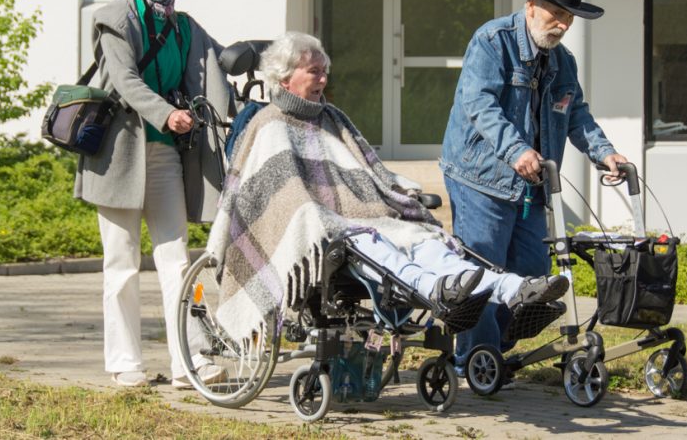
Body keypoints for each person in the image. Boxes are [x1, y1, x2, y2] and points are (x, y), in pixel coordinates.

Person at [206, 32, 569, 349]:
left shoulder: (332, 117)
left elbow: (367, 168)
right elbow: (277, 190)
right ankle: (439, 291)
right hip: (330, 225)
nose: (323, 78)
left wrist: (395, 189)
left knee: (424, 239)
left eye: (324, 70)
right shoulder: (269, 124)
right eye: (313, 71)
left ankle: (514, 291)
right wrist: (315, 211)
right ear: (285, 79)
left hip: (365, 212)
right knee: (375, 245)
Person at [439, 0, 628, 377]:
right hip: (479, 178)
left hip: (533, 182)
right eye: (554, 14)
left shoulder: (564, 63)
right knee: (483, 271)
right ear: (530, 7)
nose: (561, 25)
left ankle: (494, 348)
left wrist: (605, 153)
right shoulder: (492, 42)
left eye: (568, 18)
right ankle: (475, 362)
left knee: (533, 274)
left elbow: (576, 114)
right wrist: (516, 149)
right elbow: (480, 106)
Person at [74, 0, 229, 388]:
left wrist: (278, 65)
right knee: (120, 263)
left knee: (179, 261)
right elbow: (124, 80)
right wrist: (167, 114)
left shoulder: (182, 25)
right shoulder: (115, 17)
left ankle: (191, 361)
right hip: (117, 153)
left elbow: (221, 62)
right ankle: (125, 363)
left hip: (165, 157)